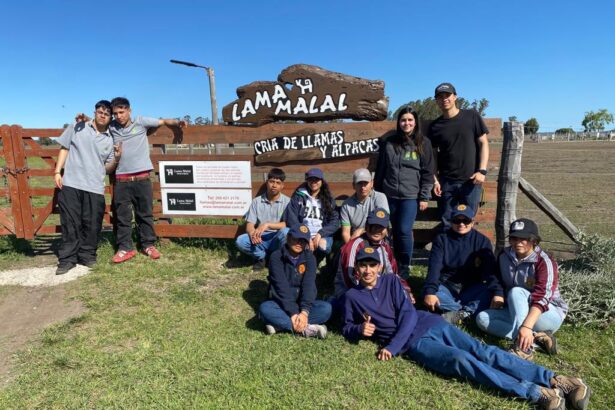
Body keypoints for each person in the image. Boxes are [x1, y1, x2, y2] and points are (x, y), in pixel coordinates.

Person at [342, 247, 591, 410]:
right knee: (462, 360)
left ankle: (559, 380)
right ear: (357, 269)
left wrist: (392, 346)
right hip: (416, 344)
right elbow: (346, 327)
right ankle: (537, 393)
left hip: (429, 324)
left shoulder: (391, 282)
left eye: (371, 265)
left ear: (379, 267)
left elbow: (407, 314)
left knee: (483, 351)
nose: (367, 270)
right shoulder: (352, 297)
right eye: (362, 266)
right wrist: (358, 330)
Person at [107, 97, 186, 263]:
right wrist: (86, 119)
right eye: (115, 113)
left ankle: (148, 245)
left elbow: (163, 121)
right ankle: (125, 248)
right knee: (122, 216)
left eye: (122, 112)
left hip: (142, 177)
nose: (119, 116)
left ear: (129, 110)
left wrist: (177, 122)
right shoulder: (112, 127)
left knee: (145, 214)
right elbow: (98, 123)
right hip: (121, 179)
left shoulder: (141, 122)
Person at [476, 218, 568, 361]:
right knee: (482, 318)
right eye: (514, 238)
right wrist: (499, 293)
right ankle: (538, 339)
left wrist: (526, 326)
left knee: (516, 291)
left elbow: (542, 298)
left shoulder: (544, 261)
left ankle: (523, 347)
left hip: (547, 313)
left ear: (534, 240)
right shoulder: (504, 255)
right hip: (518, 311)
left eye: (524, 238)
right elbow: (497, 278)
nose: (518, 242)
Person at [54, 100, 121, 275]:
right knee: (70, 223)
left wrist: (117, 158)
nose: (103, 115)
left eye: (107, 114)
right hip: (71, 183)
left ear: (110, 118)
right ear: (95, 112)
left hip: (95, 186)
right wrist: (57, 171)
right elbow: (64, 147)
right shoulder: (78, 126)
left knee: (92, 224)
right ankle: (67, 259)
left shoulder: (110, 139)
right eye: (100, 112)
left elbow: (108, 168)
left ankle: (87, 255)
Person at [374, 106, 434, 277]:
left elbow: (427, 172)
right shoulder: (389, 143)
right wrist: (377, 194)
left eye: (410, 120)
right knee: (390, 229)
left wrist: (424, 196)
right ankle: (391, 262)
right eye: (403, 120)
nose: (406, 123)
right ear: (398, 122)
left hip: (410, 196)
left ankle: (405, 265)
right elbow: (381, 169)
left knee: (404, 230)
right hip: (389, 194)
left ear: (415, 123)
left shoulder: (423, 143)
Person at [428, 82, 489, 228]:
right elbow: (432, 156)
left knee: (467, 223)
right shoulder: (435, 126)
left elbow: (483, 143)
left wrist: (482, 171)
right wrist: (435, 180)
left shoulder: (471, 116)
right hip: (446, 183)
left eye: (447, 95)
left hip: (471, 182)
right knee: (447, 222)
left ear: (455, 97)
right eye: (440, 96)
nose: (444, 99)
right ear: (436, 100)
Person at [422, 204, 496, 324]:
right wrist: (430, 291)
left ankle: (459, 313)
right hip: (448, 285)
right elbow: (434, 268)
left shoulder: (482, 241)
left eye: (465, 220)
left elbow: (490, 271)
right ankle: (466, 312)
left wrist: (497, 292)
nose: (461, 224)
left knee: (489, 291)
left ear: (472, 222)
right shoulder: (441, 239)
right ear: (451, 222)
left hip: (471, 286)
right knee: (430, 292)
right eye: (457, 220)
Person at [258, 223, 332, 338]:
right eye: (295, 239)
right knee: (265, 309)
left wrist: (304, 312)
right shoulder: (276, 257)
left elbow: (309, 285)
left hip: (301, 304)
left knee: (326, 309)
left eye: (303, 241)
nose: (299, 243)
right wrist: (293, 313)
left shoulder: (310, 258)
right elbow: (280, 287)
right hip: (281, 304)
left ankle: (280, 325)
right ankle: (308, 329)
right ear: (288, 238)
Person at [334, 208, 413, 303]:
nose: (377, 230)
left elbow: (393, 274)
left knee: (404, 299)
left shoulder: (385, 246)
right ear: (366, 227)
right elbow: (349, 278)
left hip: (377, 289)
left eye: (381, 227)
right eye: (373, 226)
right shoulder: (354, 245)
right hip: (352, 291)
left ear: (386, 229)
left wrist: (404, 290)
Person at [235, 168, 290, 271]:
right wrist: (252, 234)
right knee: (241, 240)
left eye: (278, 183)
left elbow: (287, 224)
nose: (274, 185)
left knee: (286, 232)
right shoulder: (256, 201)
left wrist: (268, 224)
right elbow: (250, 224)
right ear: (267, 182)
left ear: (282, 186)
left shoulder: (287, 202)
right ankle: (261, 258)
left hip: (276, 238)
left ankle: (277, 258)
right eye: (271, 182)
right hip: (260, 238)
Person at [283, 167, 339, 263]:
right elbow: (292, 218)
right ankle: (291, 258)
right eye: (310, 179)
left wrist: (320, 234)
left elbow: (334, 221)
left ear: (321, 181)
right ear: (307, 181)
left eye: (316, 179)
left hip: (321, 234)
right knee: (284, 233)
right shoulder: (298, 197)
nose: (313, 182)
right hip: (302, 232)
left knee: (324, 247)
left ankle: (318, 260)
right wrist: (305, 236)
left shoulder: (329, 199)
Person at [339, 168, 388, 244]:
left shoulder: (380, 197)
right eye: (359, 183)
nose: (363, 187)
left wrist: (361, 230)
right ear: (353, 185)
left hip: (377, 236)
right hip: (356, 240)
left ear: (371, 183)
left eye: (365, 183)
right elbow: (345, 232)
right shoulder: (346, 205)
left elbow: (381, 224)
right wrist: (350, 248)